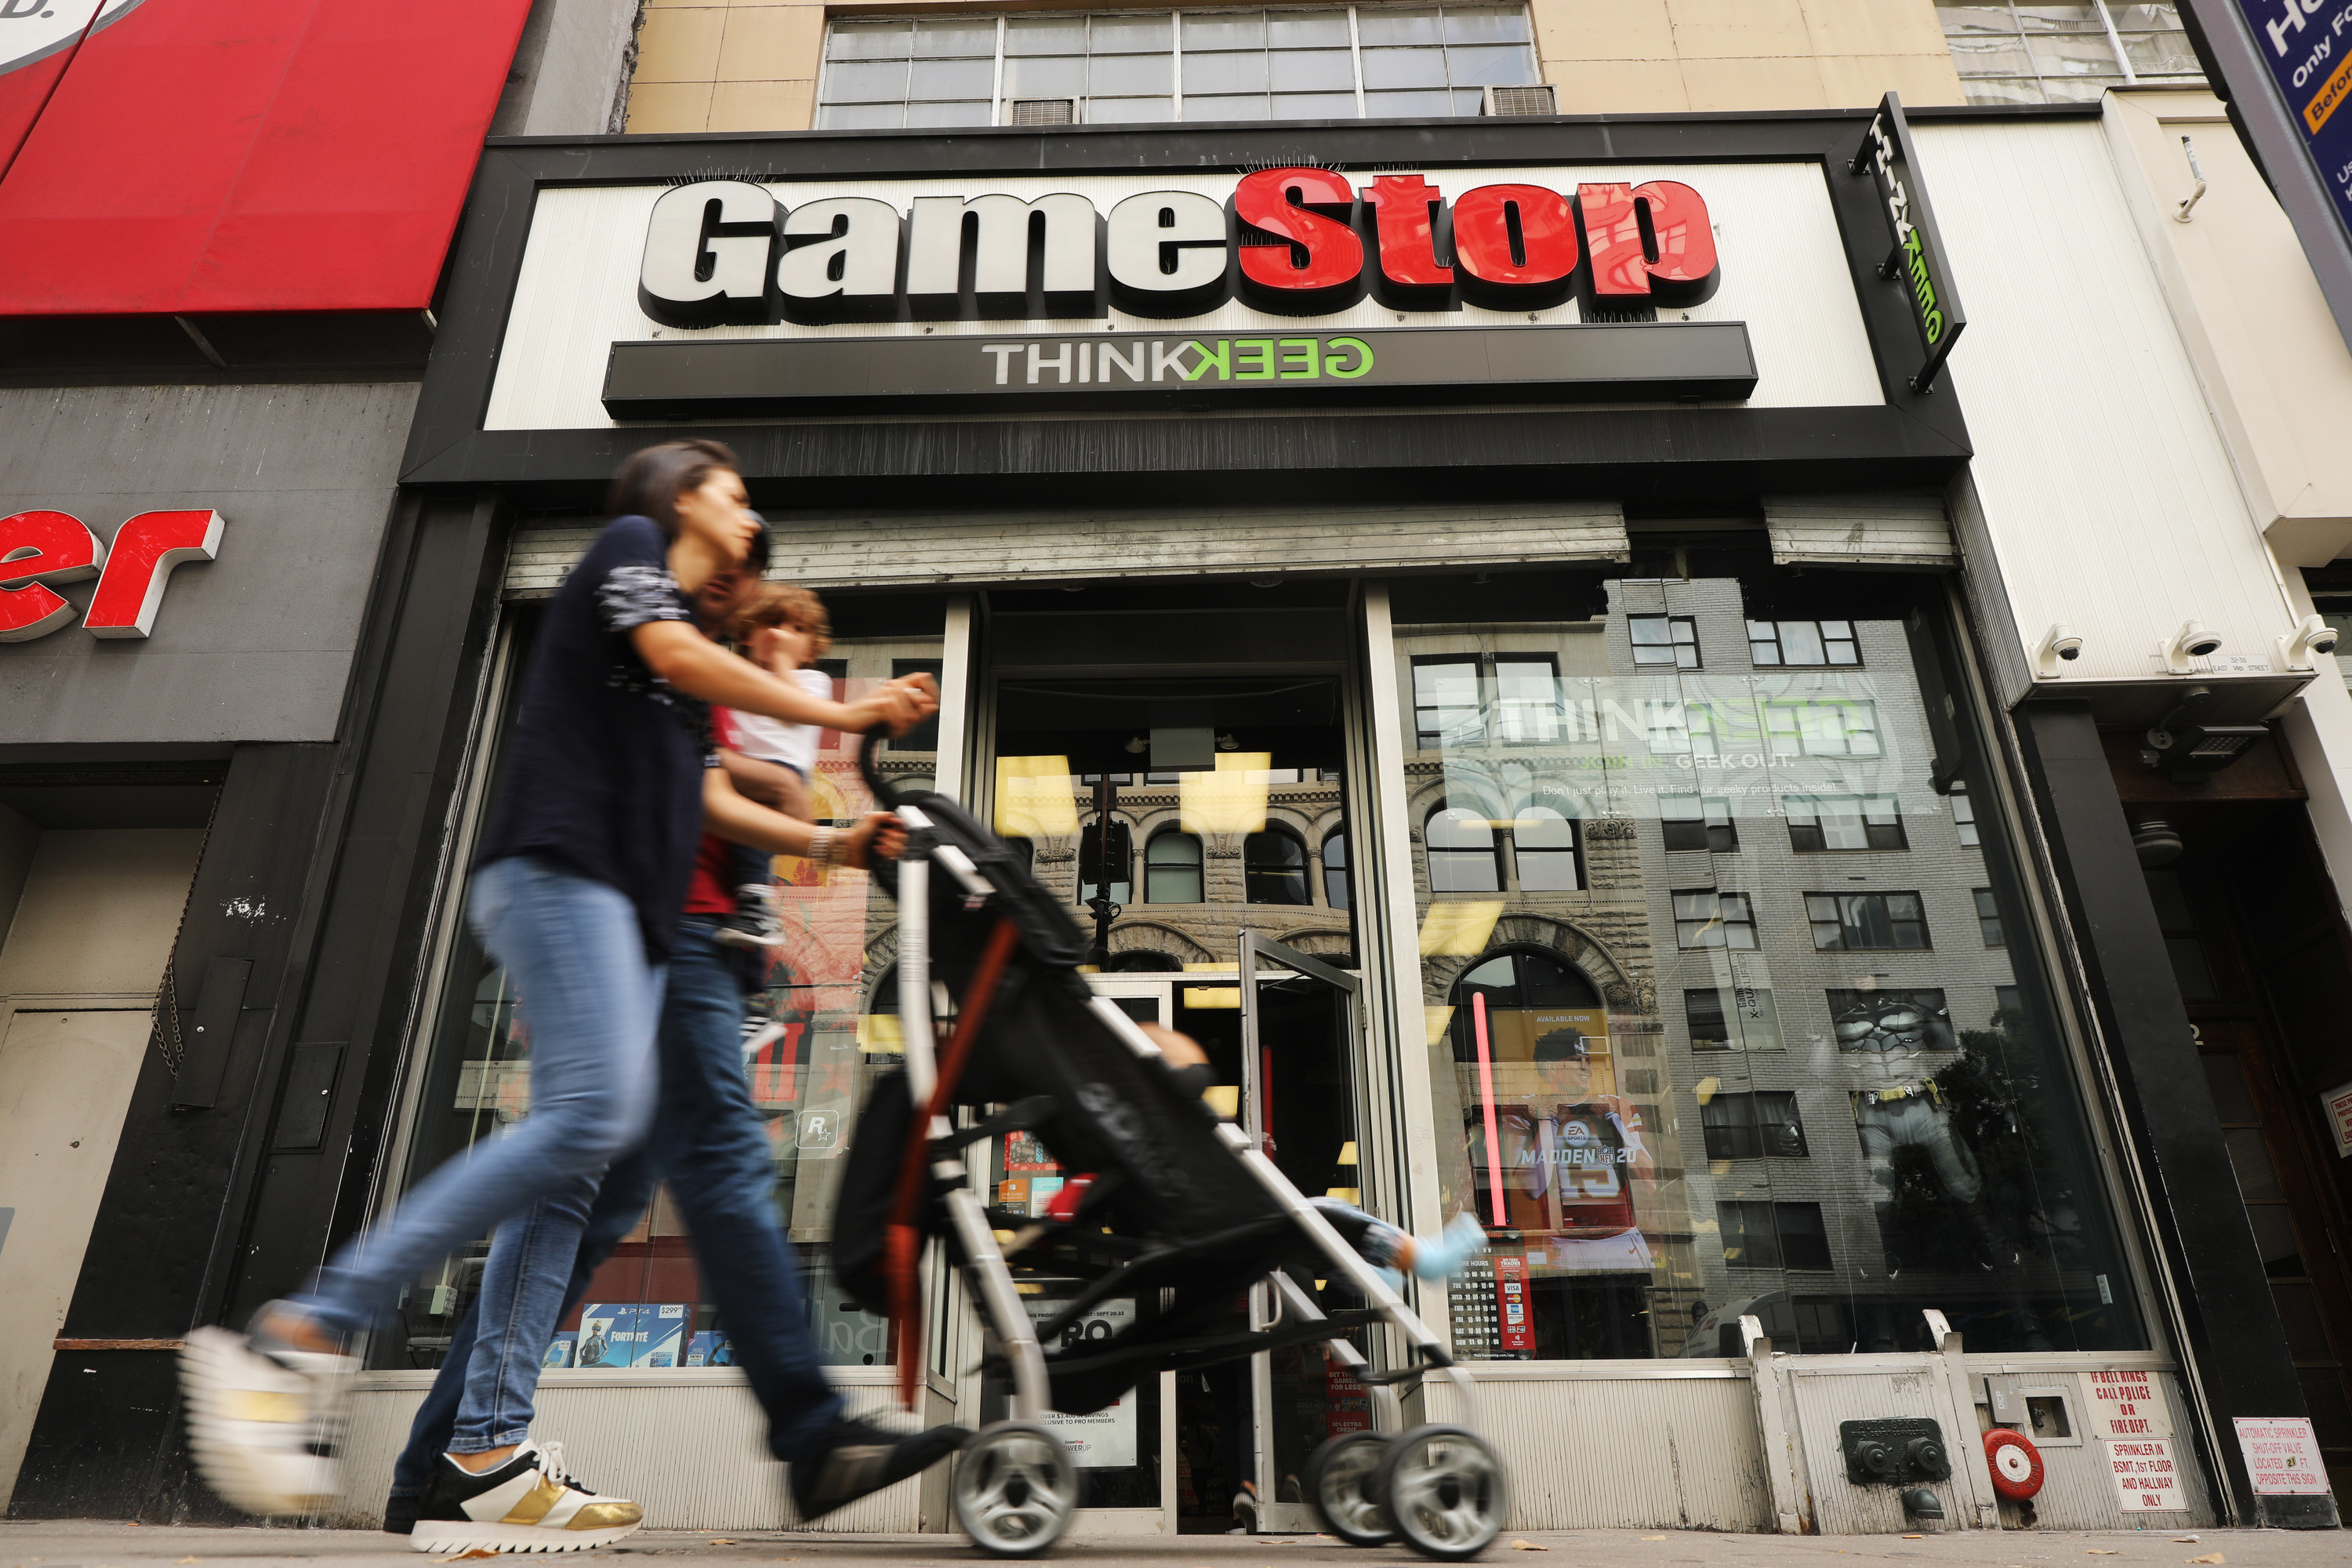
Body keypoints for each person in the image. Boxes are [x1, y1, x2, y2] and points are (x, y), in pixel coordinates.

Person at [179, 439, 939, 1534]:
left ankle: (460, 1453)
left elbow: (711, 802)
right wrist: (843, 714)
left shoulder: (675, 686)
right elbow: (683, 657)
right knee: (594, 1124)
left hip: (618, 912)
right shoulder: (629, 557)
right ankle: (297, 1336)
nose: (746, 519)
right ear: (680, 499)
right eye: (731, 496)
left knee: (599, 1152)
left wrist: (833, 843)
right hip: (556, 875)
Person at [711, 583, 833, 951]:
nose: (781, 634)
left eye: (797, 629)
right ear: (747, 634)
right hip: (739, 768)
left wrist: (780, 661)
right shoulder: (736, 676)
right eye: (771, 623)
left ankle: (755, 905)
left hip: (783, 771)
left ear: (812, 649)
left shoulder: (814, 682)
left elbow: (791, 706)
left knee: (753, 839)